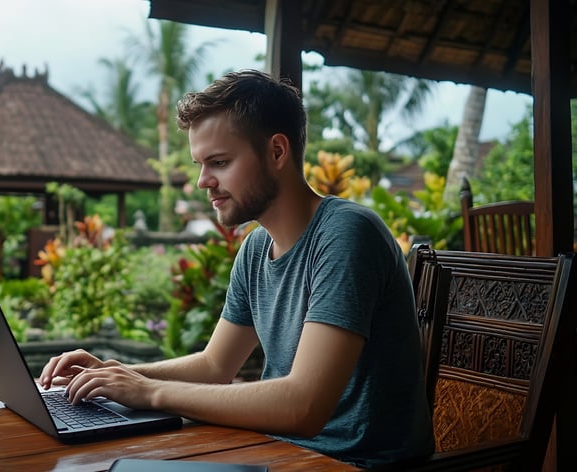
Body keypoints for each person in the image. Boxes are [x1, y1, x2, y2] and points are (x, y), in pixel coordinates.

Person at [39, 69, 434, 467]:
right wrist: (115, 375)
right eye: (200, 164)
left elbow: (303, 406)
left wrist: (149, 392)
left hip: (353, 464)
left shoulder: (346, 235)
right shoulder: (257, 248)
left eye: (219, 162)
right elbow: (214, 366)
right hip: (280, 454)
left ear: (277, 152)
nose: (202, 181)